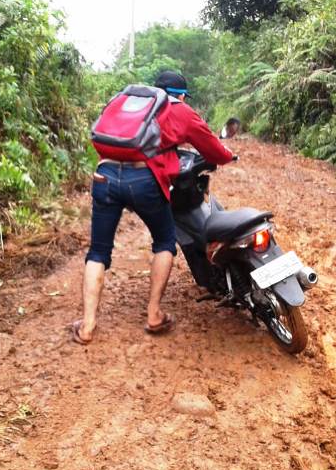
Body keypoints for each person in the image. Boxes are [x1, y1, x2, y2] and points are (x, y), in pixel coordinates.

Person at [72, 71, 235, 344]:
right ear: (180, 94)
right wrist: (227, 156)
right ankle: (154, 315)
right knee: (164, 242)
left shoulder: (129, 102)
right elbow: (214, 150)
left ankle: (87, 326)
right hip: (144, 180)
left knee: (98, 251)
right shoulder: (180, 110)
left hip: (105, 175)